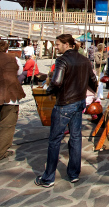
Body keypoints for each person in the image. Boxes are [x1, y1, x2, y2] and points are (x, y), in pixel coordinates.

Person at [35, 34, 97, 188]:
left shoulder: (62, 60)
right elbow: (93, 81)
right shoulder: (85, 60)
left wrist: (49, 90)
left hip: (64, 103)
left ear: (67, 44)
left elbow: (56, 82)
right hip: (79, 102)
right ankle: (74, 173)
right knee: (76, 138)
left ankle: (48, 177)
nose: (56, 47)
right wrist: (87, 91)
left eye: (57, 44)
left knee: (54, 140)